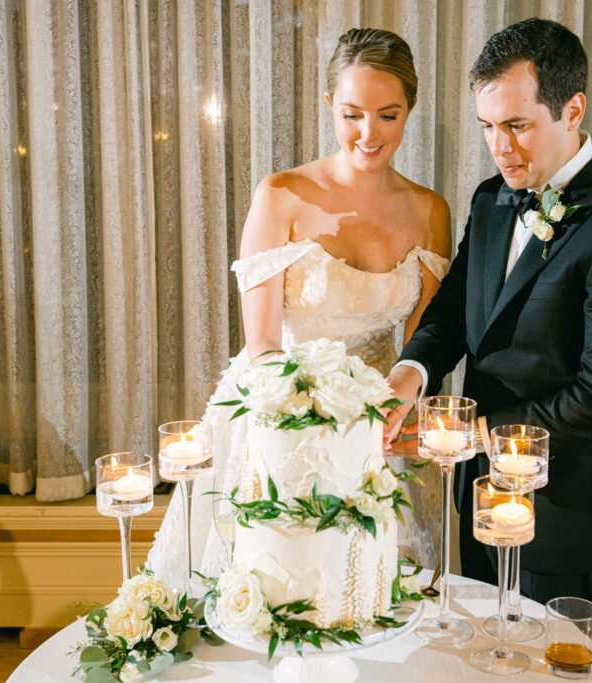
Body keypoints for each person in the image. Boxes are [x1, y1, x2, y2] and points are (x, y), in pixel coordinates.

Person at [385, 17, 592, 632]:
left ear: (572, 110)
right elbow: (453, 312)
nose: (499, 147)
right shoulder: (491, 199)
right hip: (480, 492)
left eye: (517, 126)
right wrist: (410, 372)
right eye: (488, 127)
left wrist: (471, 433)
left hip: (567, 513)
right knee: (482, 656)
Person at [146, 28, 452, 591]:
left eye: (388, 115)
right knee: (263, 588)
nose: (369, 133)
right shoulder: (281, 196)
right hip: (276, 416)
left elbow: (424, 344)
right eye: (353, 113)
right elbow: (261, 342)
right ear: (331, 104)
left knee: (368, 597)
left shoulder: (430, 210)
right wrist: (314, 417)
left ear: (410, 109)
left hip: (380, 427)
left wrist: (378, 422)